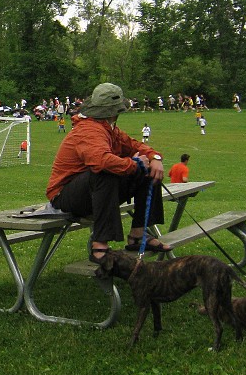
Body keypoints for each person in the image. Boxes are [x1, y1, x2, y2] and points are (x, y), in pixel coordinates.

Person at [46, 83, 168, 262]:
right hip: (65, 196)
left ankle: (139, 234)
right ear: (114, 112)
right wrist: (134, 164)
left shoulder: (107, 128)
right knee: (105, 171)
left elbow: (134, 145)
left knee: (148, 171)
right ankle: (99, 245)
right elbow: (101, 161)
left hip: (94, 191)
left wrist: (154, 158)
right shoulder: (88, 130)